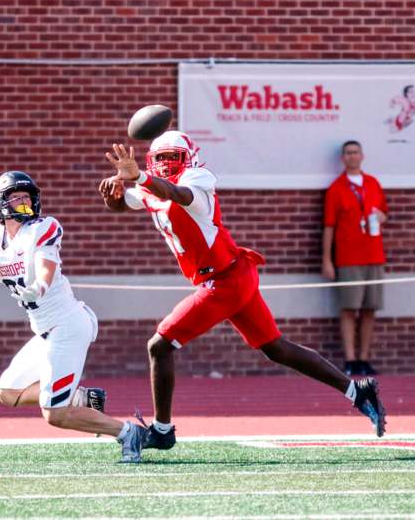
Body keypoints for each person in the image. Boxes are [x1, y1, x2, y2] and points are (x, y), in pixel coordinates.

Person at [98, 130, 387, 453]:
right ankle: (357, 391)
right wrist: (115, 200)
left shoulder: (197, 178)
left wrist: (142, 177)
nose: (166, 165)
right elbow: (132, 202)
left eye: (172, 158)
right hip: (234, 274)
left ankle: (162, 431)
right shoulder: (151, 185)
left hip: (223, 281)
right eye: (160, 159)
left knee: (160, 346)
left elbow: (176, 194)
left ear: (188, 158)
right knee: (276, 348)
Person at [0, 171, 150, 462]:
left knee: (54, 414)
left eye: (26, 196)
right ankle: (81, 398)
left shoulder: (41, 229)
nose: (24, 202)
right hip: (45, 332)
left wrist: (38, 288)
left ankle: (127, 434)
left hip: (68, 325)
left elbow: (45, 268)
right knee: (7, 392)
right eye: (16, 198)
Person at [322, 140, 388, 376]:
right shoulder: (336, 188)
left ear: (362, 155)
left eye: (356, 152)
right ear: (343, 158)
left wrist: (381, 217)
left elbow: (383, 214)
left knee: (370, 308)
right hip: (348, 257)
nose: (352, 156)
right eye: (348, 153)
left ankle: (364, 358)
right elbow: (329, 226)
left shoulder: (373, 184)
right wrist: (327, 260)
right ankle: (350, 359)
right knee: (349, 308)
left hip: (374, 255)